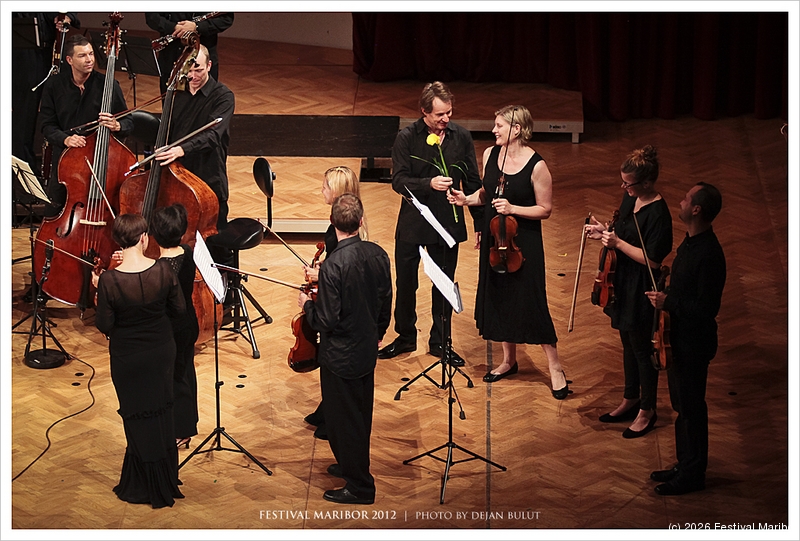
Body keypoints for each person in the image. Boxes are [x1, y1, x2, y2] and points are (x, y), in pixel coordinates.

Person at [448, 105, 568, 397]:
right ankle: (509, 360)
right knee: (500, 296)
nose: (494, 130)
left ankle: (555, 368)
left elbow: (545, 209)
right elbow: (486, 193)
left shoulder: (537, 166)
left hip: (523, 243)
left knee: (531, 301)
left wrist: (514, 208)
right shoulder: (490, 154)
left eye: (499, 125)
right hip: (495, 239)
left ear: (516, 129)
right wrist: (466, 199)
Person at [378, 81, 483, 366]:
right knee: (406, 284)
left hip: (447, 225)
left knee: (444, 286)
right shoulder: (406, 138)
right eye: (440, 114)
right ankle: (405, 337)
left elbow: (473, 181)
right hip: (413, 224)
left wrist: (480, 223)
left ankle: (440, 342)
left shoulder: (461, 137)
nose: (446, 119)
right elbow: (398, 181)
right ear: (424, 111)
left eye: (449, 112)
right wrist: (429, 184)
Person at [298, 194, 392, 505]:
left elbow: (326, 320)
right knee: (360, 416)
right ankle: (352, 465)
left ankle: (360, 486)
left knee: (342, 423)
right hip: (366, 349)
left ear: (332, 223)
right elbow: (385, 302)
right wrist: (378, 334)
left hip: (340, 357)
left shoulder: (333, 265)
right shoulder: (378, 254)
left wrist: (307, 305)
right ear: (361, 222)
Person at [94, 214, 186, 509]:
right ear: (144, 238)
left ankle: (141, 483)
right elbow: (179, 311)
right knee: (162, 409)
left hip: (127, 357)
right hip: (161, 350)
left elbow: (105, 325)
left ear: (119, 242)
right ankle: (165, 479)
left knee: (136, 414)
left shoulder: (109, 281)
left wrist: (99, 290)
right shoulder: (163, 270)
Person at [585, 145, 673, 438]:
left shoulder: (658, 214)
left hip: (641, 286)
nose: (624, 188)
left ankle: (647, 409)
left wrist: (618, 244)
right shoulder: (630, 197)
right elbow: (620, 231)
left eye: (629, 183)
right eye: (622, 182)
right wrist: (603, 232)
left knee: (642, 348)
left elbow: (653, 260)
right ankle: (630, 398)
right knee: (627, 342)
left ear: (647, 183)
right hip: (621, 281)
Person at [645, 182, 726, 495]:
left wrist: (669, 302)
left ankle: (693, 475)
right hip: (677, 339)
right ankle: (685, 463)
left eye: (686, 199)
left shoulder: (709, 254)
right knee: (682, 406)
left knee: (692, 409)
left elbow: (707, 308)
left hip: (694, 343)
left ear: (696, 210)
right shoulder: (690, 242)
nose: (680, 202)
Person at [302, 166, 367, 442]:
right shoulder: (337, 222)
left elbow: (346, 272)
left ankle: (334, 419)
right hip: (333, 291)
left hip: (341, 313)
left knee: (331, 361)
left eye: (326, 186)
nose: (322, 190)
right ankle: (325, 408)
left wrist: (321, 275)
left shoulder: (349, 232)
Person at [39, 34, 133, 212]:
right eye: (82, 55)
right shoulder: (54, 85)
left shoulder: (108, 84)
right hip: (66, 159)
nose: (89, 59)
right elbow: (46, 125)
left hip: (101, 159)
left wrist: (117, 125)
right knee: (54, 210)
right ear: (69, 60)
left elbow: (128, 121)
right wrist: (66, 139)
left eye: (91, 54)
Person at [154, 44, 234, 231]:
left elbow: (213, 136)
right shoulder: (176, 94)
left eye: (198, 69)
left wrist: (182, 149)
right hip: (177, 175)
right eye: (188, 70)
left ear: (209, 66)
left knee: (213, 236)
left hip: (207, 175)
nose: (192, 76)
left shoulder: (223, 96)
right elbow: (169, 129)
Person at [148, 204, 200, 449]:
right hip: (189, 322)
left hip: (171, 330)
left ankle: (181, 430)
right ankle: (188, 422)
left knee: (175, 378)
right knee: (186, 372)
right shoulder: (187, 252)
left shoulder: (159, 270)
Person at [12, 12, 79, 166]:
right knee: (23, 114)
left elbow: (67, 11)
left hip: (46, 54)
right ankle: (22, 164)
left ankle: (51, 163)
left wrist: (66, 16)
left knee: (51, 109)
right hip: (21, 55)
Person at [145, 12, 234, 94]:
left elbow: (226, 19)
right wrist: (174, 27)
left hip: (203, 57)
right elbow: (151, 17)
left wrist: (197, 27)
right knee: (170, 102)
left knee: (204, 101)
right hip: (171, 56)